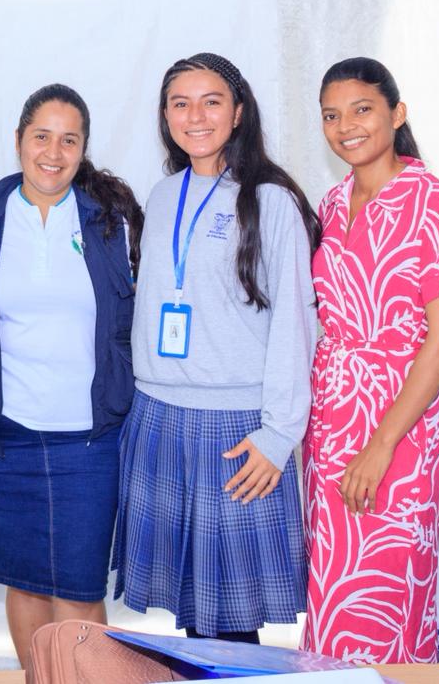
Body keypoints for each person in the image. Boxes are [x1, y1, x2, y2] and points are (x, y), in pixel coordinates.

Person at [112, 52, 321, 642]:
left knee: (230, 620)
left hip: (234, 427)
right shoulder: (161, 196)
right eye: (180, 104)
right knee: (191, 611)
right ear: (165, 116)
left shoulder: (270, 201)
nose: (195, 116)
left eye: (211, 102)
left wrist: (280, 433)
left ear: (238, 112)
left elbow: (296, 323)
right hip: (158, 416)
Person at [0, 84, 142, 668]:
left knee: (81, 593)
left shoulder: (111, 226)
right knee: (27, 583)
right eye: (41, 136)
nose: (53, 153)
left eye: (69, 140)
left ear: (83, 149)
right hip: (3, 438)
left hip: (88, 439)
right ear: (18, 141)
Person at [301, 57, 439, 663]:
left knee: (387, 586)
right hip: (332, 419)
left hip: (400, 423)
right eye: (331, 115)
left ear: (397, 114)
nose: (345, 126)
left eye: (362, 109)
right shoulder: (331, 202)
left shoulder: (430, 200)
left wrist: (381, 445)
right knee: (332, 584)